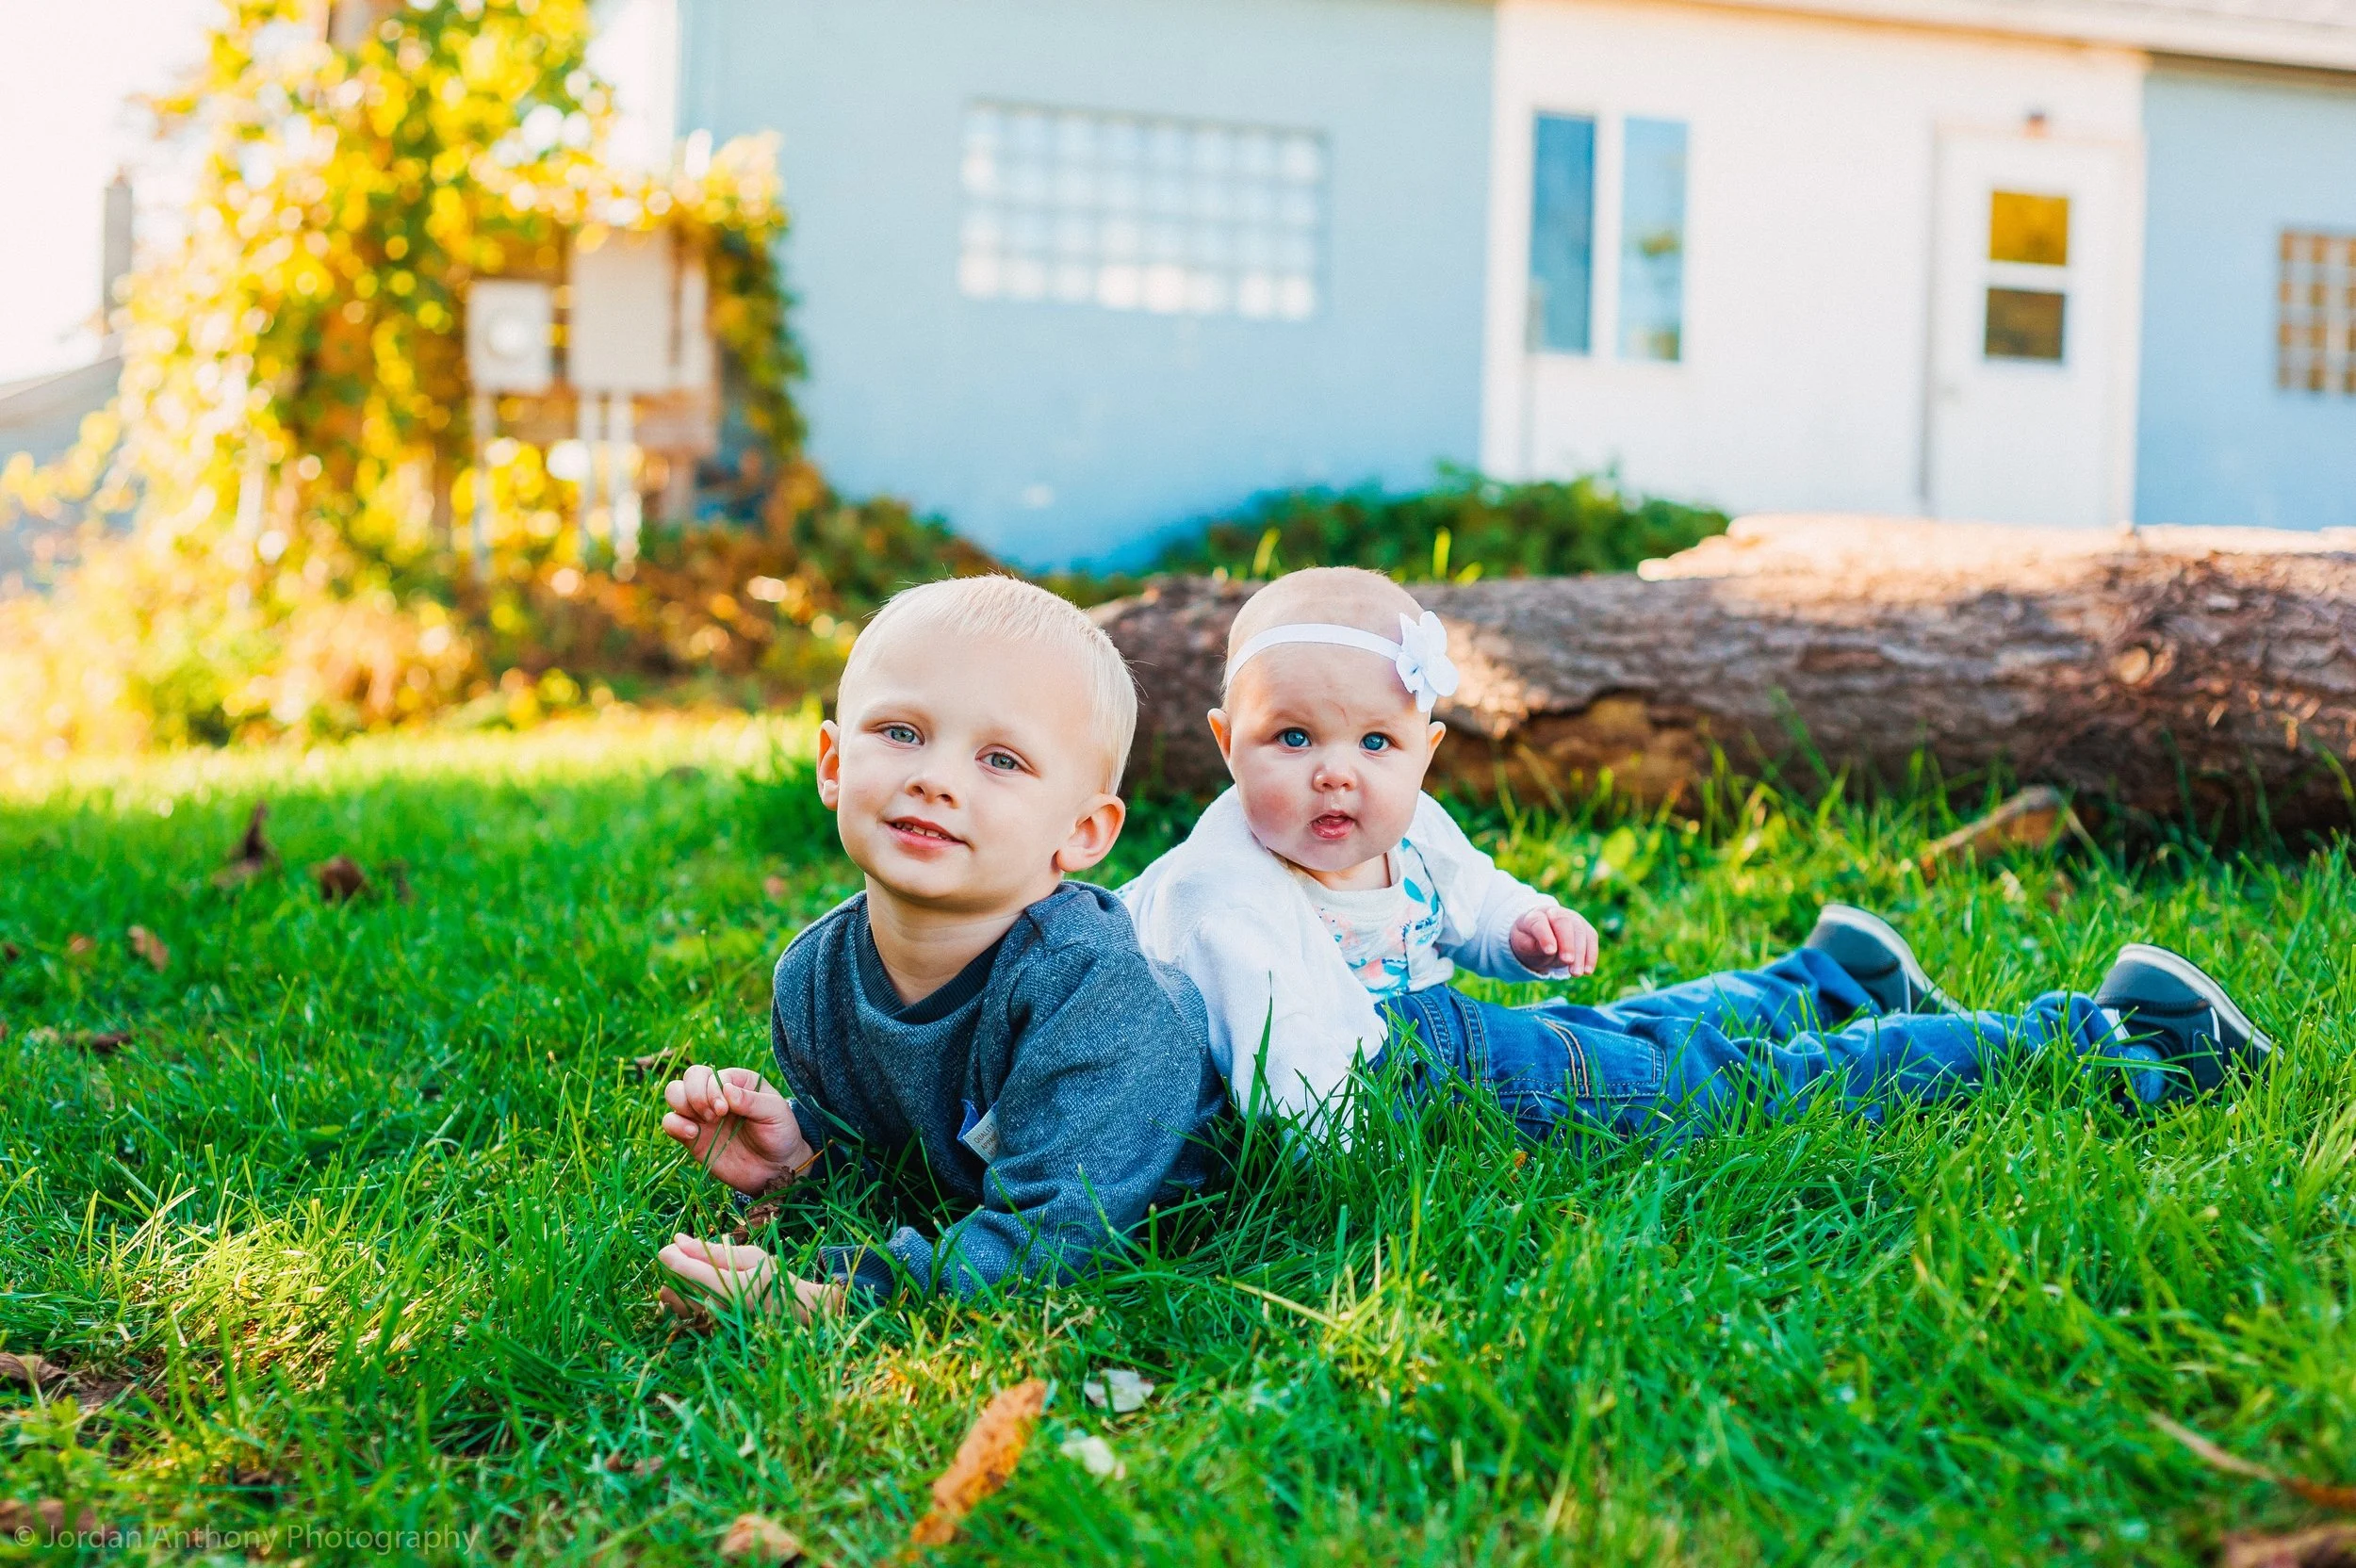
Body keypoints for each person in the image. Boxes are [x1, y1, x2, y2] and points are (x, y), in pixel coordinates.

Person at [1121, 566, 2272, 1142]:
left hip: (1447, 1035)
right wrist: (1349, 1174)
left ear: (1425, 747)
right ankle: (2085, 1038)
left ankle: (1850, 989)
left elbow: (1462, 903)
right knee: (1692, 1082)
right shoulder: (1231, 888)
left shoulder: (1405, 821)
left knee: (1633, 1046)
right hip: (1409, 1084)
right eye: (1291, 738)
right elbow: (1291, 1084)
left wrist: (1519, 929)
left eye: (1374, 740)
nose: (1336, 771)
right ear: (1226, 745)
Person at [657, 575, 1225, 1319]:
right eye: (901, 733)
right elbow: (902, 1156)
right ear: (833, 765)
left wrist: (829, 1298)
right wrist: (802, 1155)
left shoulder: (1096, 996)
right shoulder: (815, 976)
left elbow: (1059, 1237)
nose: (934, 780)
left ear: (1083, 832)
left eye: (1001, 759)